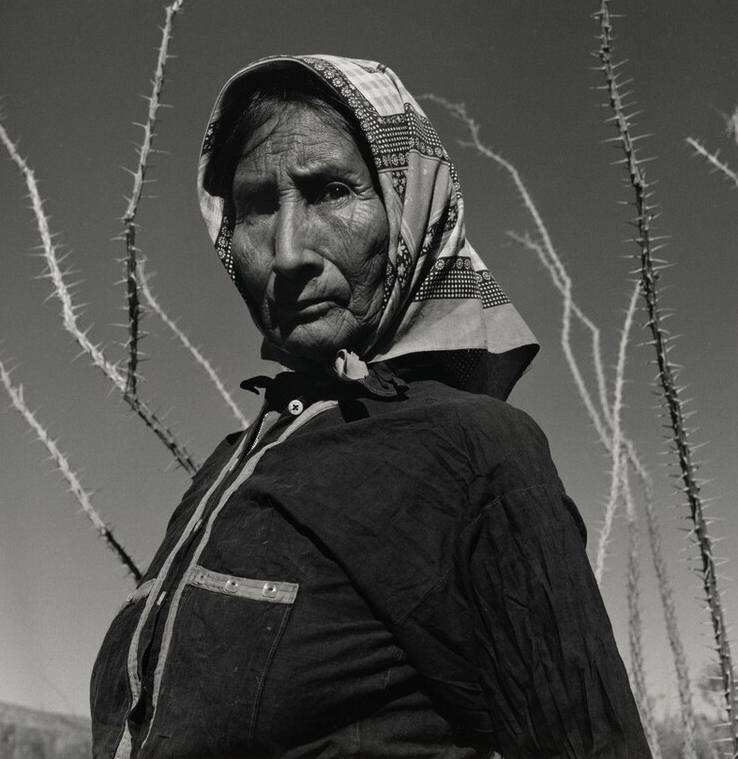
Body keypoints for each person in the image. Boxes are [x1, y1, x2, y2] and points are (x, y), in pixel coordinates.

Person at [90, 55, 651, 758]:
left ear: (408, 210)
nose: (287, 252)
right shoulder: (231, 468)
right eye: (256, 206)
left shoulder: (473, 451)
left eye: (330, 191)